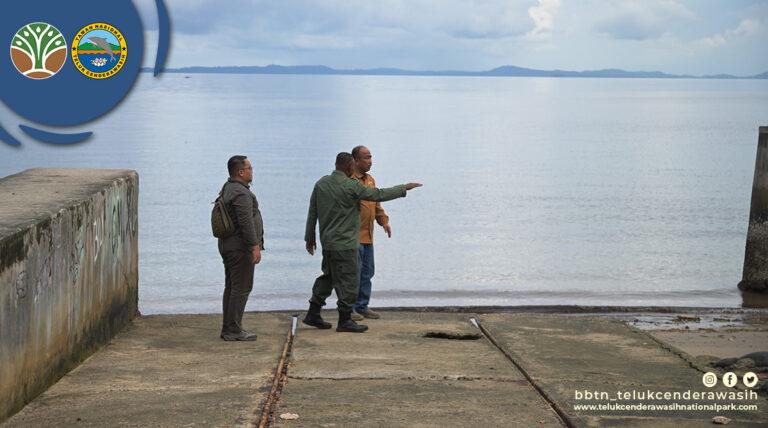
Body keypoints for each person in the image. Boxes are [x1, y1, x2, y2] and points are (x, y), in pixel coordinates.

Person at [303, 152, 422, 333]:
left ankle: (313, 313)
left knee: (328, 277)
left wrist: (309, 238)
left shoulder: (321, 184)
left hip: (328, 243)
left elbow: (313, 212)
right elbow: (378, 195)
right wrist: (404, 188)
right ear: (349, 166)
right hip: (346, 244)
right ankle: (345, 320)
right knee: (350, 281)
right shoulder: (352, 186)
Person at [217, 155, 264, 341]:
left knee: (232, 286)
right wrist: (255, 246)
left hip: (228, 245)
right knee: (242, 287)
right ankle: (233, 329)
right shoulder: (241, 193)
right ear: (241, 172)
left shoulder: (228, 187)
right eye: (250, 168)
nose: (252, 171)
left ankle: (229, 327)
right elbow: (246, 223)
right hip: (239, 248)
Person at [350, 145, 389, 321]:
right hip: (353, 237)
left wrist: (384, 221)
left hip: (368, 236)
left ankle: (362, 306)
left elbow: (376, 202)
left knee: (367, 272)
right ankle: (349, 308)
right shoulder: (349, 181)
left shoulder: (370, 180)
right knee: (354, 274)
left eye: (371, 157)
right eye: (366, 157)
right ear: (355, 161)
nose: (370, 161)